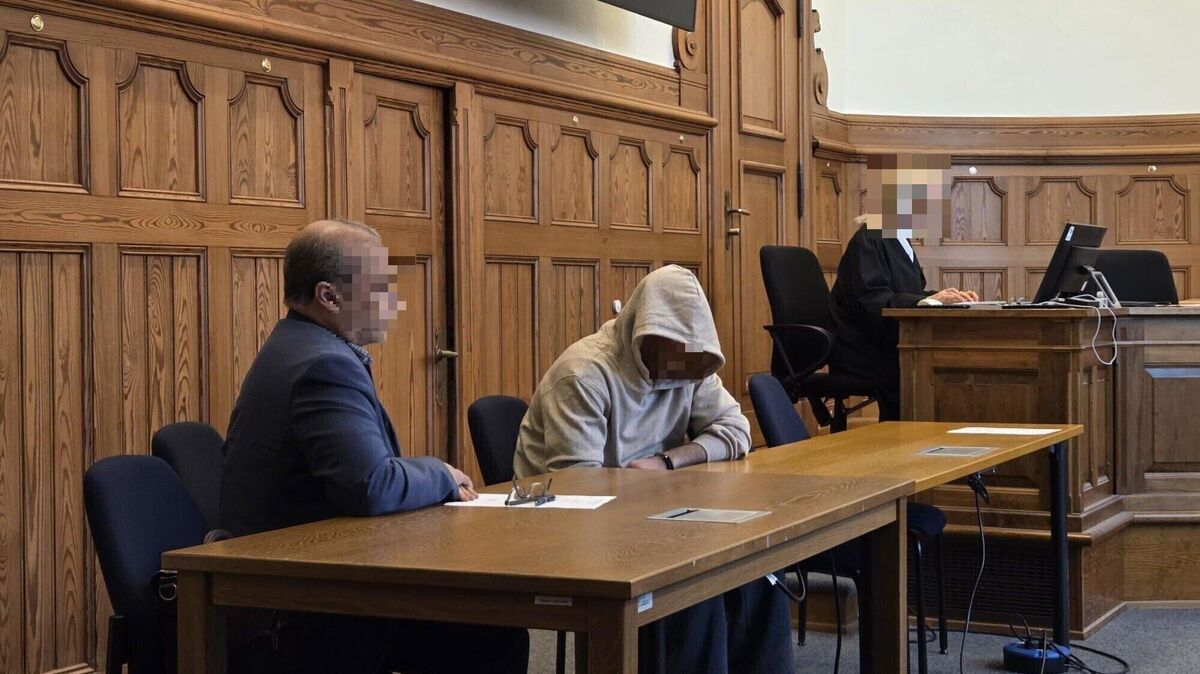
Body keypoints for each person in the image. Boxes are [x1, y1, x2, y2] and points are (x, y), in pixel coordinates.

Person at [220, 219, 528, 674]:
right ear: (329, 296)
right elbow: (370, 484)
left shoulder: (294, 346)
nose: (394, 303)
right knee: (493, 636)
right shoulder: (324, 365)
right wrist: (441, 473)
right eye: (381, 287)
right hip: (297, 615)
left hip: (288, 584)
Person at [515, 264, 794, 674]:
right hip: (567, 528)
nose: (682, 370)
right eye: (673, 354)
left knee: (758, 572)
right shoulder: (584, 375)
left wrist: (668, 462)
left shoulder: (688, 361)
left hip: (646, 513)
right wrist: (646, 487)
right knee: (693, 586)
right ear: (644, 333)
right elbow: (577, 487)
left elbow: (737, 430)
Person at [828, 153, 978, 420]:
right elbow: (874, 301)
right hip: (863, 350)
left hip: (889, 344)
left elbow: (910, 294)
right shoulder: (869, 239)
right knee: (923, 368)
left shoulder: (901, 241)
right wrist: (924, 301)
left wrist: (943, 298)